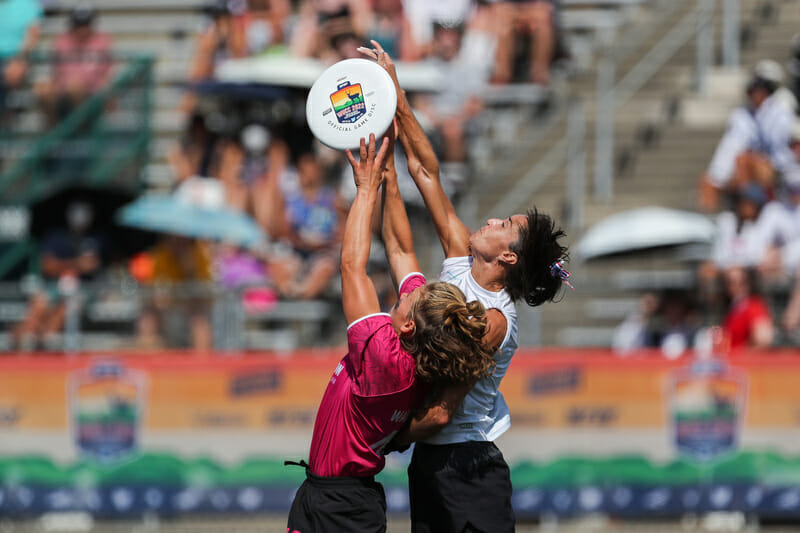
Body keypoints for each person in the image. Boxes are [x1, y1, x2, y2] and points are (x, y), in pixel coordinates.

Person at [359, 41, 569, 532]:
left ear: (509, 257)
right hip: (433, 465)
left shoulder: (495, 320)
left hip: (469, 465)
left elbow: (440, 412)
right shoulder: (458, 263)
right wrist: (396, 97)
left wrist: (380, 438)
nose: (492, 218)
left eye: (506, 224)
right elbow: (427, 171)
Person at [286, 133, 495, 532]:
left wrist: (364, 190)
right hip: (335, 496)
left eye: (404, 301)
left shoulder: (385, 357)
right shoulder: (418, 351)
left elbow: (351, 266)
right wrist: (390, 178)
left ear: (409, 324)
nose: (401, 295)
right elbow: (399, 249)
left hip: (339, 504)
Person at [698, 60, 797, 212]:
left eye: (757, 91)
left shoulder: (781, 110)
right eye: (751, 92)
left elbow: (785, 148)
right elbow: (730, 146)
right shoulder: (744, 115)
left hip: (782, 168)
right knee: (716, 177)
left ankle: (749, 206)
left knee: (744, 162)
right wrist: (717, 177)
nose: (753, 96)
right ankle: (731, 210)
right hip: (760, 167)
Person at [35, 3, 113, 125]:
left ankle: (78, 128)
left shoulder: (102, 42)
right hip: (62, 91)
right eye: (79, 24)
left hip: (91, 94)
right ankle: (54, 130)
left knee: (75, 86)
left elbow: (108, 75)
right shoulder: (61, 41)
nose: (82, 29)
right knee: (43, 88)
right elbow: (54, 73)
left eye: (85, 24)